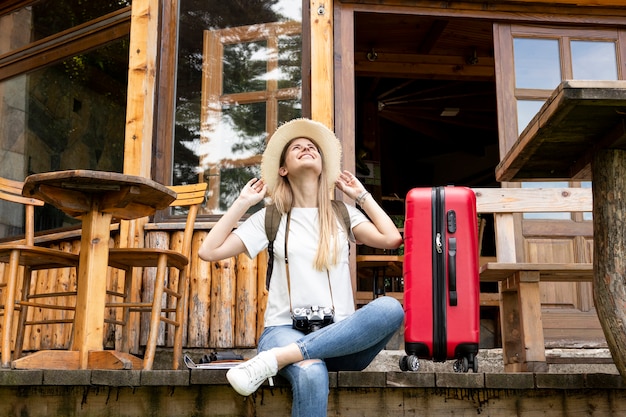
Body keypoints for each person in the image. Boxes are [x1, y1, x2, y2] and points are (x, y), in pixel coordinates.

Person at [198, 118, 404, 416]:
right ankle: (286, 355)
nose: (306, 148)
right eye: (297, 147)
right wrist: (243, 202)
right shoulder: (271, 217)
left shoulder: (342, 213)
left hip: (342, 339)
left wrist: (361, 196)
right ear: (283, 169)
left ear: (322, 166)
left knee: (390, 309)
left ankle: (273, 361)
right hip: (285, 331)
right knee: (310, 371)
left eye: (312, 148)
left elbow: (391, 238)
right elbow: (208, 251)